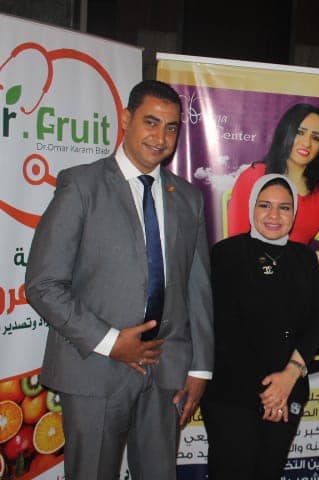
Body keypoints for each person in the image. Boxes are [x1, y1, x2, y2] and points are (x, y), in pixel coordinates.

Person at [25, 80, 214, 479]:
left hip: (166, 371)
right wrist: (111, 342)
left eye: (171, 127)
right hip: (94, 368)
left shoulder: (188, 198)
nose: (160, 138)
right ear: (126, 119)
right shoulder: (81, 186)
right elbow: (43, 284)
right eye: (150, 122)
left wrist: (200, 368)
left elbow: (197, 289)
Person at [202, 174, 319, 479]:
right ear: (251, 208)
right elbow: (222, 330)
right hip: (231, 395)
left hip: (289, 389)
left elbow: (317, 321)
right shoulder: (224, 255)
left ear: (294, 213)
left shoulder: (305, 260)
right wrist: (268, 393)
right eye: (265, 205)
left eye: (284, 208)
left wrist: (288, 378)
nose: (274, 215)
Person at [227, 103, 319, 268]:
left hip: (297, 277)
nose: (306, 143)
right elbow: (238, 245)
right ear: (286, 132)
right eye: (299, 132)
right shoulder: (254, 176)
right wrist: (302, 260)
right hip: (255, 274)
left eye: (315, 138)